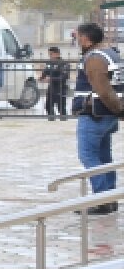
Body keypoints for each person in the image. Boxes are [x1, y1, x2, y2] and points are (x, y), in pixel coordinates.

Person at [72, 22, 122, 213]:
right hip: (106, 115)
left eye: (78, 37)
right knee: (104, 157)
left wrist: (118, 110)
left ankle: (102, 200)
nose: (77, 40)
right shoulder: (111, 53)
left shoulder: (94, 58)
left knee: (89, 156)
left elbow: (104, 90)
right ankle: (110, 197)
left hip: (95, 115)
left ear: (86, 39)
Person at [40, 46, 70, 121]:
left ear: (57, 54)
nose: (50, 56)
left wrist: (51, 79)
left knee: (61, 108)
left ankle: (63, 122)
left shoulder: (64, 64)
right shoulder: (49, 63)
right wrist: (41, 77)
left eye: (51, 54)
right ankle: (51, 120)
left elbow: (64, 77)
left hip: (60, 88)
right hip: (51, 89)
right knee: (48, 106)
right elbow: (45, 72)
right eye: (49, 54)